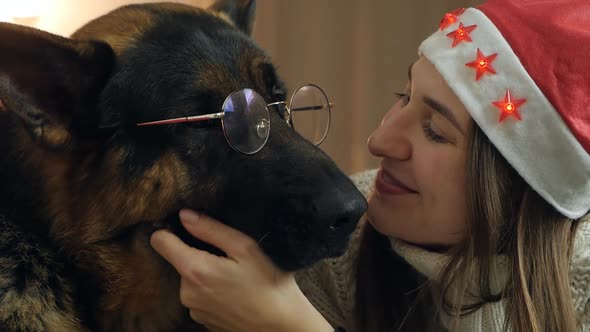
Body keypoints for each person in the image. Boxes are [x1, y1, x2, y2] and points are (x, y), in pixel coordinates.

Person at [150, 0, 590, 331]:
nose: (379, 141)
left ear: (517, 186)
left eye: (435, 131)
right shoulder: (339, 256)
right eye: (403, 96)